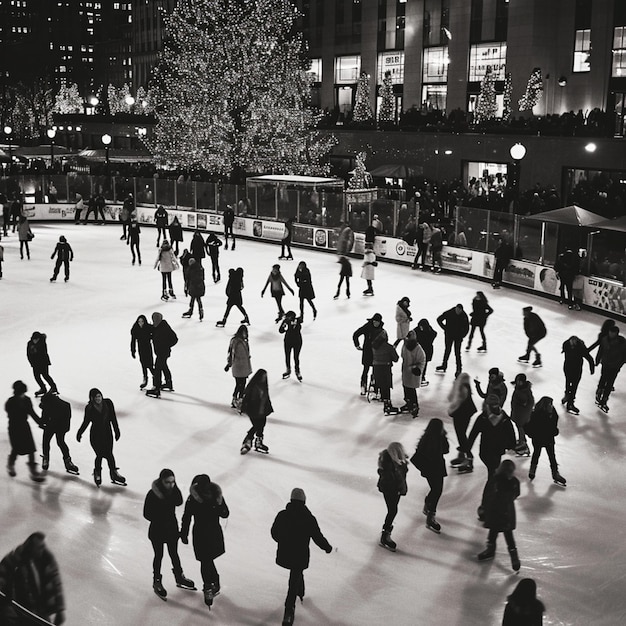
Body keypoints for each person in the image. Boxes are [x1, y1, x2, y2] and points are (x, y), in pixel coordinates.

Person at [271, 488, 332, 626]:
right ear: (304, 501)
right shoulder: (308, 518)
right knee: (294, 579)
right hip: (300, 555)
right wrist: (327, 547)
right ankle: (289, 610)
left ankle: (301, 592)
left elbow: (274, 533)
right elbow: (317, 537)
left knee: (296, 574)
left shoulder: (283, 515)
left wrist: (283, 540)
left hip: (285, 553)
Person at [143, 468, 195, 601]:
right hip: (157, 530)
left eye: (173, 482)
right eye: (168, 482)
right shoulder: (152, 494)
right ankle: (157, 580)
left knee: (174, 554)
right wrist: (159, 517)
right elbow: (146, 513)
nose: (171, 485)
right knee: (159, 555)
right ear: (161, 481)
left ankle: (179, 577)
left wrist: (174, 489)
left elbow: (179, 502)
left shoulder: (173, 492)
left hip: (171, 528)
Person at [180, 474, 229, 608]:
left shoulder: (216, 497)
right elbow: (187, 516)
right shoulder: (193, 499)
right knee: (206, 560)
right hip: (202, 533)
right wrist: (183, 533)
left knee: (206, 560)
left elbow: (225, 513)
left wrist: (218, 506)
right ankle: (210, 585)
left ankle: (211, 584)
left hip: (211, 532)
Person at [467, 394, 516, 521]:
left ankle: (487, 506)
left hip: (487, 452)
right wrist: (509, 445)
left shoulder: (485, 418)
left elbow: (473, 434)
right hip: (491, 453)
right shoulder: (502, 419)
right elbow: (512, 438)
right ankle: (486, 506)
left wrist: (466, 449)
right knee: (492, 478)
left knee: (492, 478)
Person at [0, 532, 65, 625]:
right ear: (30, 547)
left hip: (39, 609)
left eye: (43, 547)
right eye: (39, 548)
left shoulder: (47, 559)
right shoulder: (14, 559)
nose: (42, 550)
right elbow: (2, 573)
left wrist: (59, 609)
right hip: (19, 608)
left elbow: (56, 581)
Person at [477, 459, 521, 572]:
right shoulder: (514, 482)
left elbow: (488, 495)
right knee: (508, 535)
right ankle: (514, 557)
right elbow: (517, 494)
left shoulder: (496, 480)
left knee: (493, 531)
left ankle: (490, 550)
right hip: (507, 511)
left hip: (496, 510)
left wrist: (484, 508)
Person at [76, 388, 126, 487]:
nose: (98, 398)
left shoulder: (108, 403)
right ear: (92, 398)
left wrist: (117, 430)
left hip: (107, 434)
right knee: (99, 455)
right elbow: (86, 422)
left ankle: (114, 473)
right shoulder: (89, 408)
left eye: (99, 396)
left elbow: (113, 418)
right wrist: (79, 433)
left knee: (109, 454)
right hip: (96, 436)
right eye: (96, 397)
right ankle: (97, 473)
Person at [410, 418, 449, 533]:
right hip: (436, 468)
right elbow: (446, 450)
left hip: (428, 469)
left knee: (435, 489)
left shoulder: (425, 438)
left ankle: (428, 505)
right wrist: (444, 437)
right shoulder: (439, 438)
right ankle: (430, 516)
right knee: (437, 491)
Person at [5, 380, 45, 482]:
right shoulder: (11, 402)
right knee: (16, 448)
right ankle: (11, 464)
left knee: (31, 449)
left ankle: (33, 471)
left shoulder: (26, 400)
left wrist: (40, 422)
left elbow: (31, 412)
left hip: (23, 426)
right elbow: (13, 415)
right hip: (15, 427)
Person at [525, 397, 566, 486]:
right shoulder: (536, 414)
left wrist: (554, 431)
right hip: (539, 438)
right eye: (549, 404)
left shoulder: (553, 413)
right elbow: (529, 426)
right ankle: (532, 470)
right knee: (536, 454)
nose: (551, 406)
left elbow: (553, 425)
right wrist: (532, 434)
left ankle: (555, 473)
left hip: (548, 439)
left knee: (552, 456)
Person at [377, 442, 409, 551]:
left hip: (396, 490)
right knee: (393, 511)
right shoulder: (389, 465)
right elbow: (392, 479)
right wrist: (398, 490)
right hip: (391, 491)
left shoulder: (396, 463)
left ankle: (386, 534)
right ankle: (385, 535)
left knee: (393, 510)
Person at [39, 392, 78, 474]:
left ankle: (46, 459)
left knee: (48, 441)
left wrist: (43, 423)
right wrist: (43, 423)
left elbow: (67, 419)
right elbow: (44, 416)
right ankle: (67, 462)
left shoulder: (64, 406)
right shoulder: (62, 405)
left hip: (59, 426)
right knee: (59, 442)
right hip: (52, 425)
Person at [447, 372, 477, 473]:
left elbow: (456, 401)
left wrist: (451, 410)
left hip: (462, 414)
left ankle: (469, 458)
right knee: (461, 435)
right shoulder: (463, 387)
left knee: (461, 435)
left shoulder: (463, 388)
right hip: (463, 413)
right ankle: (462, 456)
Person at [239, 369, 273, 454]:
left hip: (262, 411)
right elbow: (246, 398)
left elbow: (266, 398)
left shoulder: (263, 386)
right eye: (263, 376)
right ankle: (248, 439)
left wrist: (268, 408)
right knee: (257, 425)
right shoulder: (253, 386)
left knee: (261, 426)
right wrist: (243, 408)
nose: (264, 378)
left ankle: (258, 442)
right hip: (253, 410)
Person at [594, 325, 626, 413]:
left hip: (615, 366)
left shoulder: (622, 342)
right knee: (603, 378)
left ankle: (604, 399)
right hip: (606, 364)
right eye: (610, 332)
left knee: (610, 382)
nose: (611, 334)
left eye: (613, 333)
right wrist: (597, 360)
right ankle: (599, 392)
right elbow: (600, 350)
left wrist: (621, 363)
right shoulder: (604, 340)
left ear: (616, 334)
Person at [146, 312, 178, 398]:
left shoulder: (164, 327)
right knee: (163, 366)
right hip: (160, 352)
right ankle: (168, 383)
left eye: (156, 319)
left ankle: (156, 388)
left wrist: (166, 345)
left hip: (163, 352)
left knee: (157, 368)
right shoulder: (156, 327)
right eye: (153, 319)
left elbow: (174, 339)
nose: (154, 321)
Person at [561, 335, 594, 415]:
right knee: (569, 383)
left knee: (574, 385)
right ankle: (568, 398)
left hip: (576, 369)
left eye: (574, 343)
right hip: (568, 368)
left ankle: (570, 401)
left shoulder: (580, 348)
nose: (572, 344)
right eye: (571, 342)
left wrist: (592, 368)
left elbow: (589, 358)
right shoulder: (566, 344)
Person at [353, 313, 384, 395]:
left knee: (375, 370)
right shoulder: (367, 326)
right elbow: (355, 334)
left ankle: (374, 386)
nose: (375, 323)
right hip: (367, 351)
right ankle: (363, 386)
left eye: (377, 322)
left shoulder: (381, 329)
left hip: (376, 353)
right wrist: (357, 345)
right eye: (374, 321)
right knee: (365, 369)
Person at [435, 304, 470, 376]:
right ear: (455, 309)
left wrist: (462, 335)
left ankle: (459, 369)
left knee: (457, 353)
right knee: (447, 350)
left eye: (459, 311)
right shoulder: (449, 313)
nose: (458, 312)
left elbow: (467, 327)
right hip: (449, 335)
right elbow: (439, 319)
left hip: (458, 337)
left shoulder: (464, 316)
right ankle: (444, 365)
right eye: (457, 310)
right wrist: (445, 328)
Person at [371, 328, 400, 415]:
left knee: (380, 385)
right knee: (386, 386)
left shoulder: (373, 346)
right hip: (385, 369)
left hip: (376, 368)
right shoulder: (389, 347)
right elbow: (396, 359)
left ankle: (382, 399)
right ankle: (387, 405)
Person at [225, 325, 252, 409]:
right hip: (238, 367)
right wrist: (229, 364)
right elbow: (231, 354)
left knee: (240, 384)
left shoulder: (243, 341)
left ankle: (236, 399)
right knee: (240, 384)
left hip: (243, 367)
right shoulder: (236, 342)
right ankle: (239, 400)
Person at [399, 330, 425, 417]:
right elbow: (402, 355)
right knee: (406, 387)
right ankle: (408, 403)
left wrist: (417, 369)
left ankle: (414, 405)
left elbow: (421, 360)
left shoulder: (418, 349)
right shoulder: (405, 345)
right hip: (406, 371)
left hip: (413, 372)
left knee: (411, 389)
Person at [509, 373, 535, 456]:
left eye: (520, 381)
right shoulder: (520, 389)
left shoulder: (525, 391)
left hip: (522, 414)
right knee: (519, 427)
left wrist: (523, 405)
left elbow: (530, 402)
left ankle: (522, 444)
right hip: (518, 412)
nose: (518, 383)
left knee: (521, 427)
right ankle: (522, 441)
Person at [27, 331, 58, 397]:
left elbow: (42, 353)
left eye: (36, 339)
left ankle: (53, 387)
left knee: (45, 375)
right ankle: (43, 388)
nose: (35, 340)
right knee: (37, 377)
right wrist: (32, 363)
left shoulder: (42, 343)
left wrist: (35, 351)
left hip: (43, 363)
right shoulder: (29, 343)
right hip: (35, 364)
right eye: (34, 339)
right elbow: (28, 354)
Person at [130, 314, 154, 390]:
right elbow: (133, 341)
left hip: (148, 348)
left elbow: (154, 334)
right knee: (143, 363)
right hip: (141, 348)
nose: (140, 323)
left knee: (150, 364)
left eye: (142, 321)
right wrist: (133, 351)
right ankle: (145, 379)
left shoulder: (148, 328)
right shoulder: (135, 329)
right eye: (139, 321)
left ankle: (156, 379)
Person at [279, 311, 303, 381]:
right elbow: (280, 331)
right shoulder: (285, 321)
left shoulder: (298, 320)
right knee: (287, 356)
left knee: (296, 357)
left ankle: (297, 370)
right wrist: (284, 326)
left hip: (297, 341)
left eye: (288, 316)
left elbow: (299, 326)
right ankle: (288, 369)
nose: (286, 317)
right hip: (288, 341)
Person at [414, 318, 437, 386]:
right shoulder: (416, 330)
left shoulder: (430, 331)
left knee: (424, 363)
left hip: (427, 350)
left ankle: (422, 376)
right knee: (417, 363)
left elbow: (434, 334)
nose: (421, 328)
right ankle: (417, 375)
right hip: (419, 350)